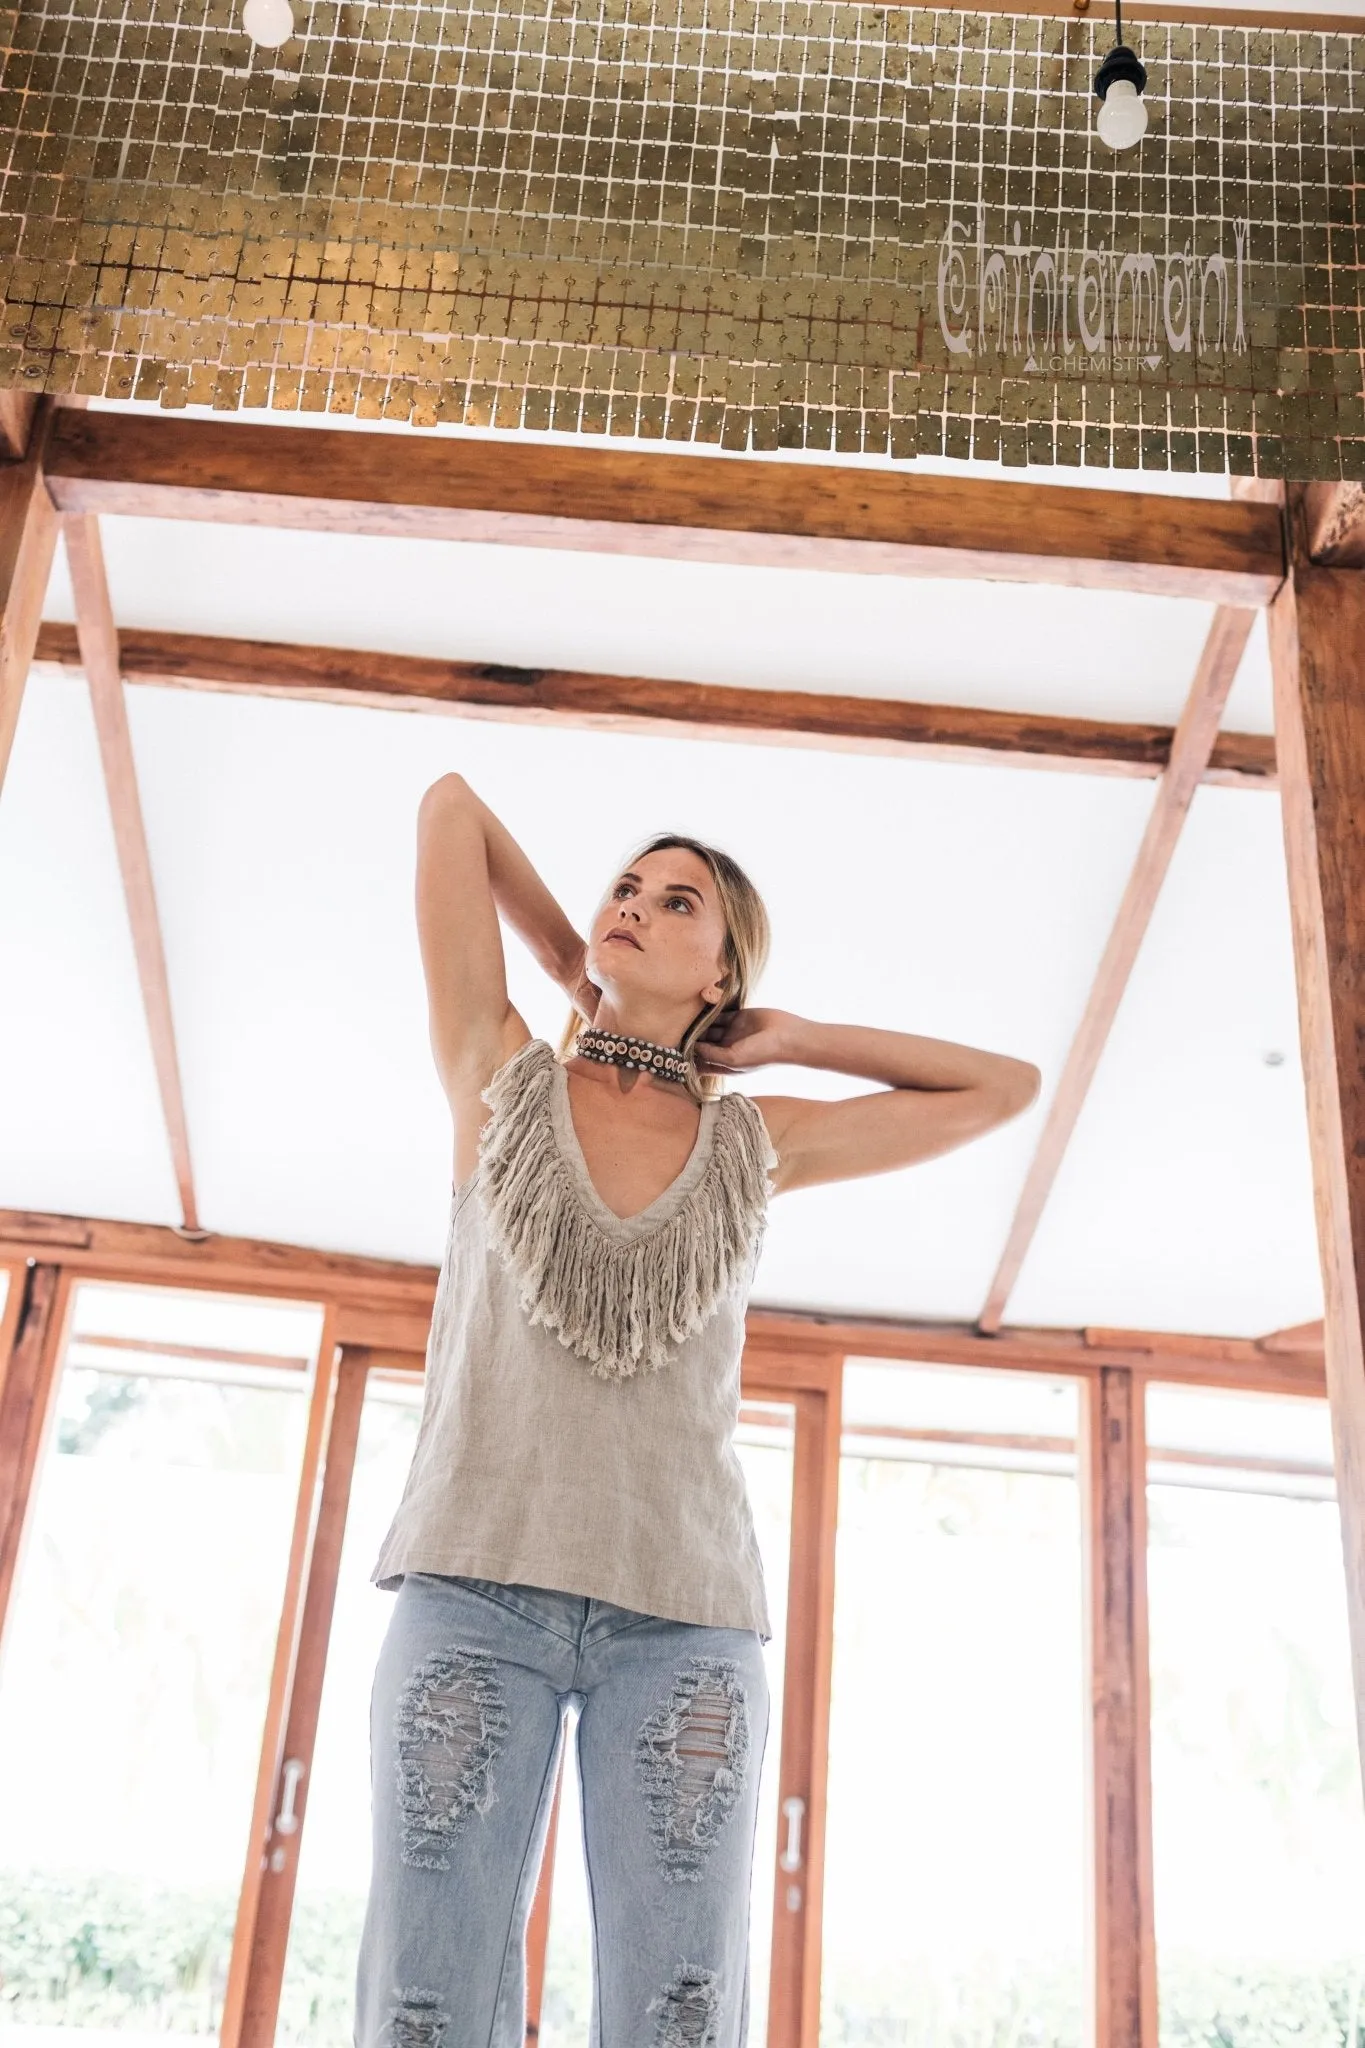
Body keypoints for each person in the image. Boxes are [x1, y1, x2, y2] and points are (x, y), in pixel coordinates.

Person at [357, 773, 1040, 2048]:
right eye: (628, 883)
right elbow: (450, 807)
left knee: (679, 2011)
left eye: (679, 903)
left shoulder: (756, 1143)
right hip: (472, 1585)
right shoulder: (497, 1077)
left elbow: (1004, 1087)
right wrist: (579, 965)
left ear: (723, 974)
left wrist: (790, 1039)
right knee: (424, 2001)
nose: (634, 904)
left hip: (684, 1619)